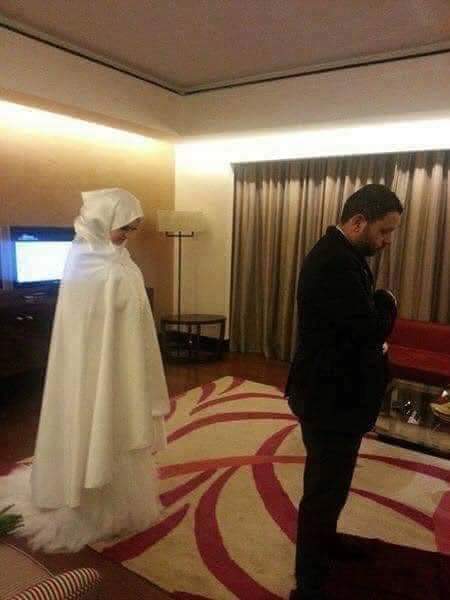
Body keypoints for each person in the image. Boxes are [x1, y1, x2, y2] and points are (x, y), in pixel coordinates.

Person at [0, 188, 170, 552]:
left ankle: (117, 501)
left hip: (121, 364)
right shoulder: (86, 264)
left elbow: (132, 319)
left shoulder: (121, 261)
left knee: (118, 425)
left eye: (133, 228)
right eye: (124, 227)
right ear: (101, 221)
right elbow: (85, 327)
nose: (128, 235)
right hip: (92, 369)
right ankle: (88, 501)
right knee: (93, 419)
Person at [285, 184, 403, 599]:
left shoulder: (342, 254)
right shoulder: (335, 263)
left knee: (333, 483)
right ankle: (309, 581)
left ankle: (327, 543)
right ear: (358, 222)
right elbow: (368, 328)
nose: (387, 241)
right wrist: (386, 301)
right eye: (384, 231)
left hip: (333, 393)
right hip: (329, 399)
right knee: (323, 489)